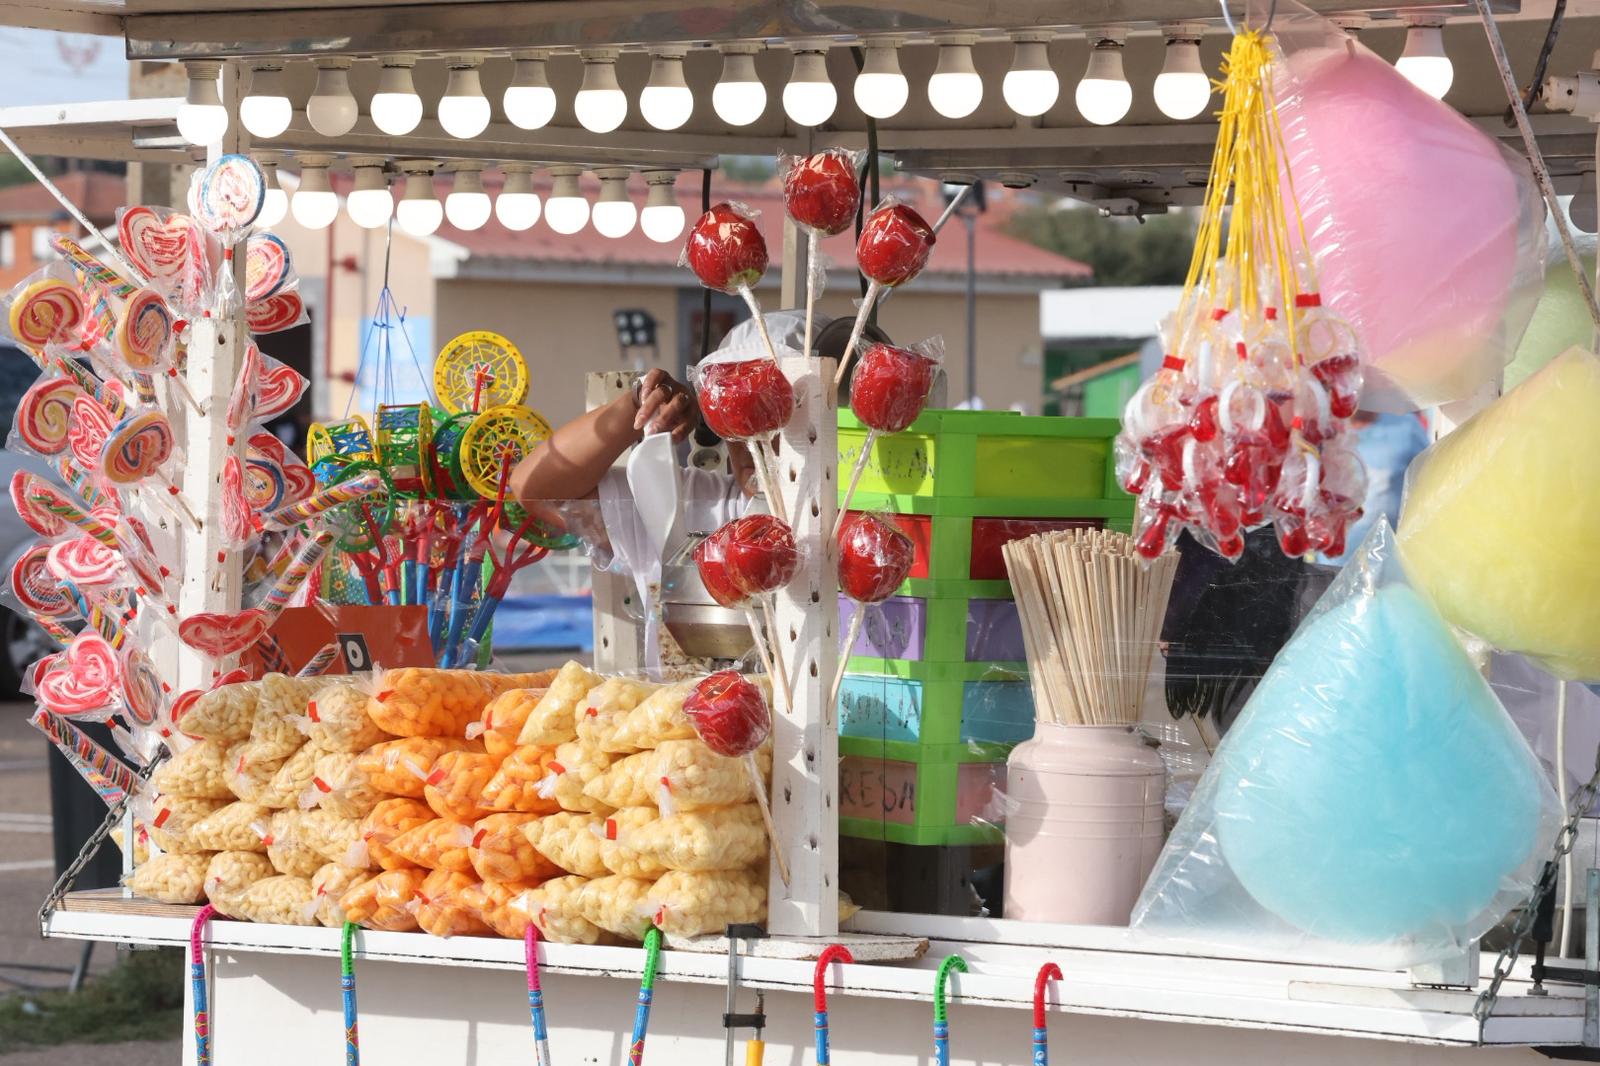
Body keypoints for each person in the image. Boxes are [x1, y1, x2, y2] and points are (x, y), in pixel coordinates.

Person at [511, 309, 894, 561]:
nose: (750, 438)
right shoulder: (713, 511)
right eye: (730, 412)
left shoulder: (879, 518)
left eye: (769, 411)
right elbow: (539, 490)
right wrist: (637, 404)